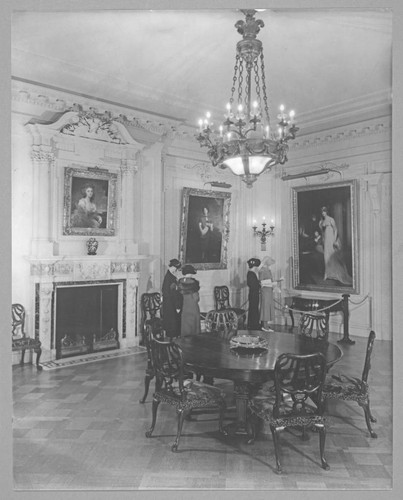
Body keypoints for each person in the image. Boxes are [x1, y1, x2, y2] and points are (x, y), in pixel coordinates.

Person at [319, 206, 352, 285]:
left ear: (327, 212)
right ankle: (327, 274)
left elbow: (335, 229)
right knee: (326, 257)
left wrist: (334, 240)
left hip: (331, 240)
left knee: (333, 257)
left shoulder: (331, 219)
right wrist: (323, 240)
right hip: (326, 241)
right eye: (322, 211)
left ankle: (335, 274)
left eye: (324, 211)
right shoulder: (322, 221)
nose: (323, 213)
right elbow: (322, 232)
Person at [259, 256, 283, 332]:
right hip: (265, 291)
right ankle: (264, 326)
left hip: (269, 291)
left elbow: (271, 280)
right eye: (270, 262)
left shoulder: (268, 270)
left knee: (268, 308)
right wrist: (270, 283)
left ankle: (266, 325)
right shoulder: (262, 270)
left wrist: (278, 280)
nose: (271, 264)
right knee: (265, 308)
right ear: (267, 262)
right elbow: (261, 282)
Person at [177, 264, 201, 336]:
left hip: (184, 307)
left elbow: (177, 297)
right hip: (193, 308)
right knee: (194, 329)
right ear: (190, 273)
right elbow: (196, 298)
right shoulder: (193, 283)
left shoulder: (179, 282)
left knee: (185, 328)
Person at [161, 258, 182, 339]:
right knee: (173, 325)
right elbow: (174, 294)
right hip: (171, 305)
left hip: (168, 304)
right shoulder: (171, 278)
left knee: (171, 325)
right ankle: (173, 342)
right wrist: (177, 306)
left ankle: (172, 340)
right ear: (173, 267)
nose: (176, 271)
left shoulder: (168, 276)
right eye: (176, 269)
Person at [246, 257, 261, 330]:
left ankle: (254, 324)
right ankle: (253, 325)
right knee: (253, 309)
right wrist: (259, 284)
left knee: (254, 309)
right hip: (253, 294)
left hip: (254, 294)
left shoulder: (252, 274)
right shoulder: (251, 274)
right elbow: (252, 285)